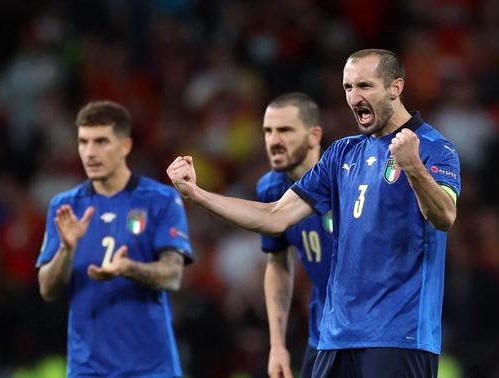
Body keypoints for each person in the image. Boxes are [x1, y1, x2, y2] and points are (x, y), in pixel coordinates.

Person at [167, 48, 460, 377]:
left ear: (395, 87)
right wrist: (197, 195)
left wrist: (414, 167)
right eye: (348, 88)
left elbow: (444, 216)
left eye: (365, 86)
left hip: (398, 336)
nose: (354, 97)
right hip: (335, 338)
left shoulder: (435, 147)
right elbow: (275, 216)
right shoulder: (342, 153)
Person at [36, 100, 193, 377]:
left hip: (152, 368)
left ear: (125, 146)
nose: (90, 152)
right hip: (88, 369)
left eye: (101, 141)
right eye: (83, 142)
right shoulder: (65, 207)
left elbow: (172, 275)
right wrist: (66, 249)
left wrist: (127, 268)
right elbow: (47, 289)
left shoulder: (161, 200)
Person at [257, 92, 332, 378]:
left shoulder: (345, 181)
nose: (274, 140)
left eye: (285, 130)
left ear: (314, 136)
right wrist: (277, 345)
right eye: (268, 131)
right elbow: (277, 263)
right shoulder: (271, 188)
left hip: (370, 331)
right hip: (322, 332)